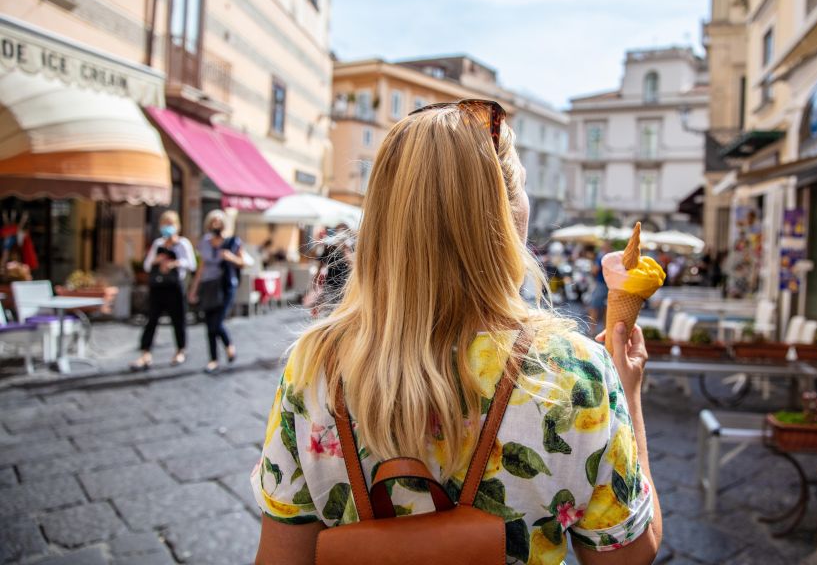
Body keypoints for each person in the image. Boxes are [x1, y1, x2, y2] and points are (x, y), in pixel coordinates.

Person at [252, 100, 661, 565]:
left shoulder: (315, 362)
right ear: (503, 215)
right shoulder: (574, 371)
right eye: (521, 188)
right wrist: (628, 394)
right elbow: (627, 556)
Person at [131, 211, 195, 370]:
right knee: (151, 320)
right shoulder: (158, 244)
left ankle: (180, 350)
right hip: (158, 287)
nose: (167, 227)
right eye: (165, 224)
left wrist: (176, 263)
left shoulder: (182, 244)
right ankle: (145, 353)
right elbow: (146, 265)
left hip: (175, 286)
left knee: (178, 320)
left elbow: (192, 264)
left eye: (170, 224)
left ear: (177, 226)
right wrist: (156, 260)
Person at [189, 210, 246, 373]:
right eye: (213, 221)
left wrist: (230, 257)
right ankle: (213, 359)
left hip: (226, 286)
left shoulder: (233, 241)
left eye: (219, 221)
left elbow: (242, 263)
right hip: (208, 285)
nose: (215, 224)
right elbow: (201, 267)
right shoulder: (205, 242)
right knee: (209, 324)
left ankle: (228, 345)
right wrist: (194, 288)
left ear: (224, 224)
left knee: (217, 322)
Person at [588, 241, 611, 335]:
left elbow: (595, 270)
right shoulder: (611, 256)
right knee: (607, 309)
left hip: (601, 284)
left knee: (594, 307)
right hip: (610, 285)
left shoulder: (601, 256)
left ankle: (592, 330)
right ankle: (606, 331)